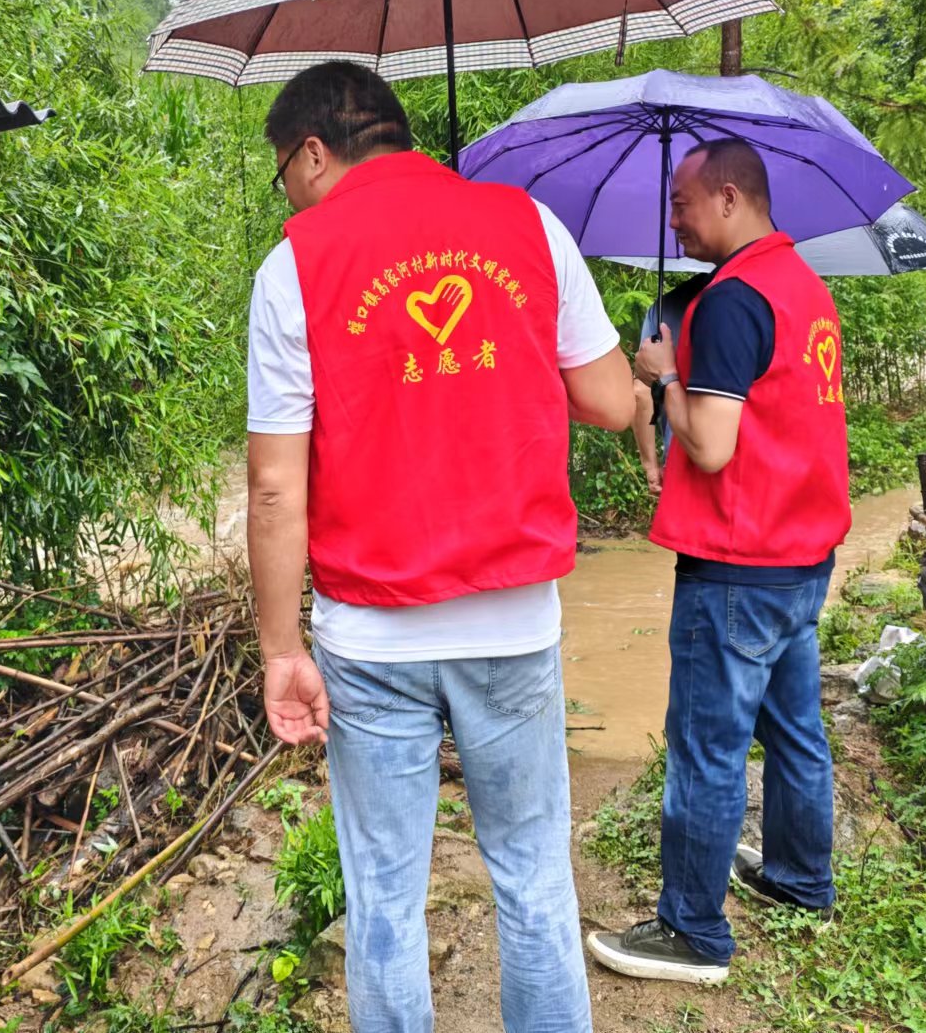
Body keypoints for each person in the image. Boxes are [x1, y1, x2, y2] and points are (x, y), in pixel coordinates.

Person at [245, 61, 635, 1033]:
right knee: (533, 877)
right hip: (513, 622)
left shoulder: (293, 268)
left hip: (370, 635)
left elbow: (274, 486)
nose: (288, 195)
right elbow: (607, 399)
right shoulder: (529, 226)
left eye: (283, 172)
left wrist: (281, 649)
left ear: (312, 152)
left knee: (384, 898)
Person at [586, 140, 851, 985]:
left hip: (738, 559)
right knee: (795, 730)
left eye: (682, 203)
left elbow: (708, 445)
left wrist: (665, 375)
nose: (674, 220)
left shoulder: (732, 300)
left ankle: (692, 931)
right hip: (802, 555)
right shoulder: (804, 286)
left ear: (729, 198)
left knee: (707, 746)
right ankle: (802, 879)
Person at [630, 274, 708, 495]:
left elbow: (641, 391)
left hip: (679, 460)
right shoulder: (756, 300)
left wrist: (650, 466)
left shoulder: (664, 308)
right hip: (744, 469)